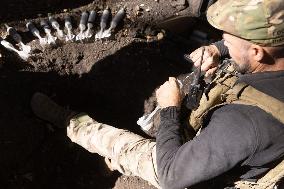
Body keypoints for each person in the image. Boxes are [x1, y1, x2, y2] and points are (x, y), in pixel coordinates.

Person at [31, 0, 284, 188]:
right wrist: (218, 49)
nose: (223, 40)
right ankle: (114, 162)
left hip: (204, 168)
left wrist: (169, 109)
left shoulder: (242, 124)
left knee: (127, 148)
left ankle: (71, 123)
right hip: (245, 144)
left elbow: (172, 174)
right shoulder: (271, 58)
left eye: (228, 39)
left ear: (257, 52)